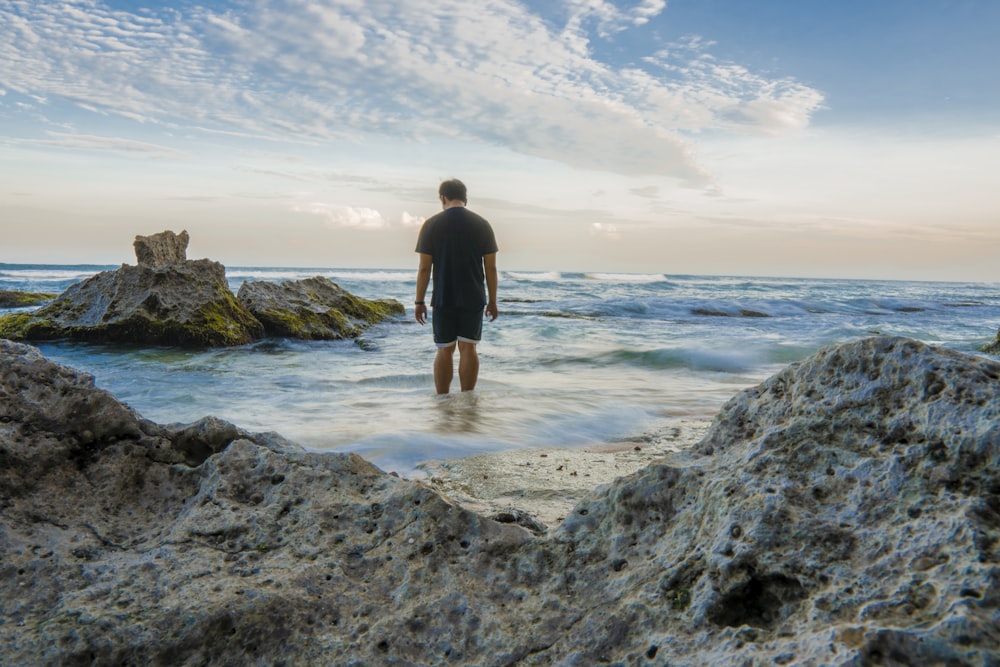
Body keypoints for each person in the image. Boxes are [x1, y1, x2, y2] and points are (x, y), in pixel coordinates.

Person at [414, 179, 499, 394]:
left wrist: (419, 301)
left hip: (444, 296)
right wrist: (493, 301)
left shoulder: (431, 224)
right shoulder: (483, 224)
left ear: (442, 197)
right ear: (466, 199)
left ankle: (442, 401)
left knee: (444, 349)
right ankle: (468, 400)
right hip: (473, 296)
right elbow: (491, 268)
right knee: (469, 347)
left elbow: (424, 269)